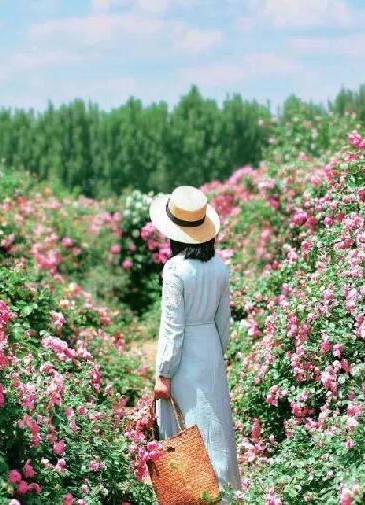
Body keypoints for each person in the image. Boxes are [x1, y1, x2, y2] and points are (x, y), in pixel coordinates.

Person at [149, 185, 241, 491]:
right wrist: (216, 354)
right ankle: (224, 490)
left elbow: (172, 326)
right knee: (215, 428)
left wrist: (164, 372)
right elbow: (224, 321)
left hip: (185, 355)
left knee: (186, 429)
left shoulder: (175, 269)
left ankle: (192, 492)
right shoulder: (220, 267)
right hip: (210, 349)